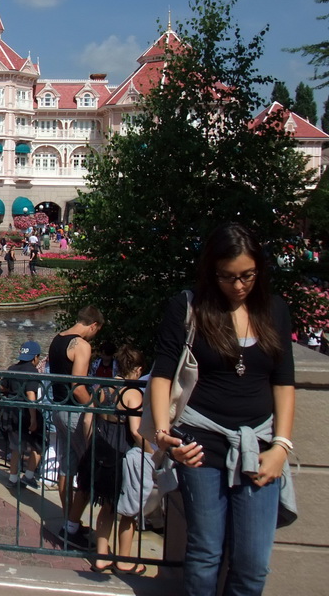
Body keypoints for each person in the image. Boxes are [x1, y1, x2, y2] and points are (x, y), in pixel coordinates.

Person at [150, 222, 296, 595]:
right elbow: (164, 373)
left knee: (252, 564)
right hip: (199, 443)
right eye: (227, 277)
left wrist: (281, 446)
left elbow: (283, 380)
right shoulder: (188, 307)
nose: (238, 286)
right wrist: (166, 436)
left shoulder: (275, 310)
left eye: (247, 275)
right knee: (204, 554)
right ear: (211, 272)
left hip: (259, 445)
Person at [83, 345, 148, 575]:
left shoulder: (103, 388)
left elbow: (87, 421)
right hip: (122, 453)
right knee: (128, 511)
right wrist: (152, 452)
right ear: (138, 369)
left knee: (107, 505)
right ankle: (124, 559)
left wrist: (89, 447)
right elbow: (136, 431)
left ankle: (101, 557)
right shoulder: (132, 394)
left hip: (102, 451)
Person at [47, 305, 105, 550]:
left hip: (58, 410)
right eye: (96, 332)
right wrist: (97, 408)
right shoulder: (82, 345)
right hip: (75, 413)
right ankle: (71, 528)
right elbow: (78, 386)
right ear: (93, 325)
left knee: (66, 466)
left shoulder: (57, 339)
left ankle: (69, 520)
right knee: (89, 467)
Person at [1, 341, 43, 490]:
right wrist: (33, 418)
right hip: (25, 413)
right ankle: (29, 476)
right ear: (35, 357)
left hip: (11, 412)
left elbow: (2, 386)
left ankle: (12, 479)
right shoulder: (32, 371)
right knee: (38, 445)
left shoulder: (12, 368)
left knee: (16, 447)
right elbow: (31, 393)